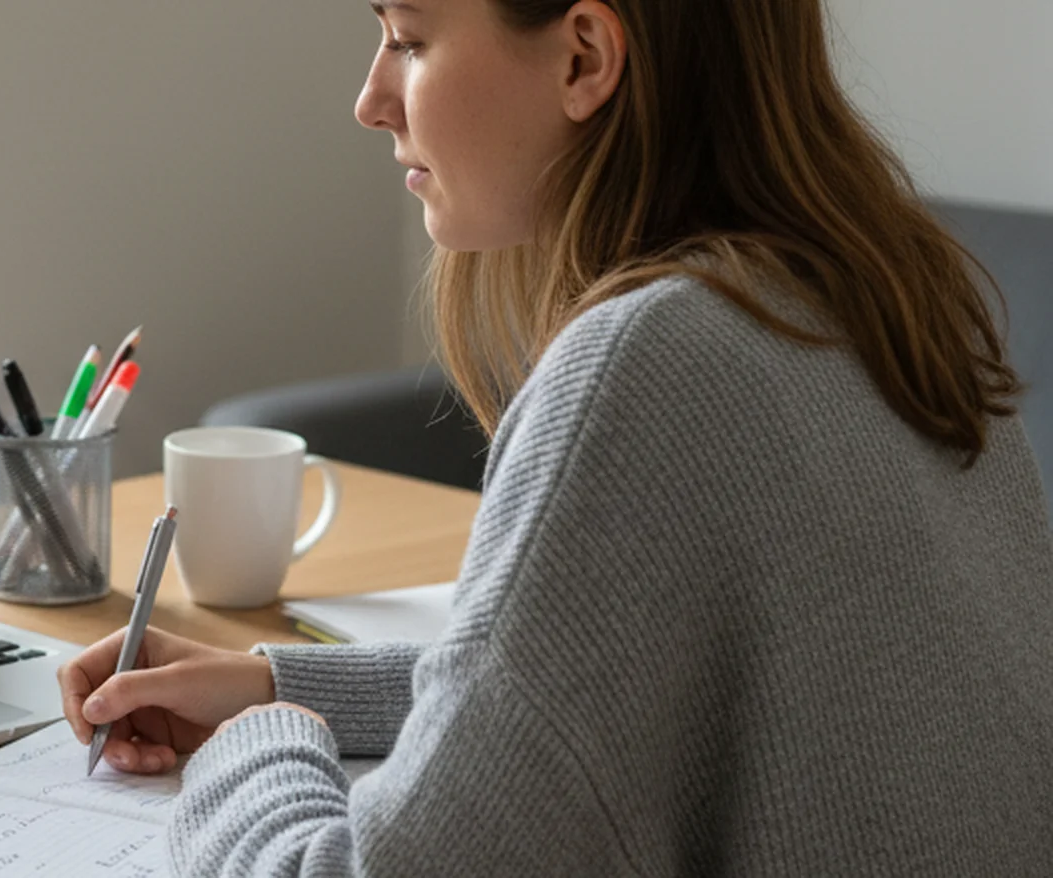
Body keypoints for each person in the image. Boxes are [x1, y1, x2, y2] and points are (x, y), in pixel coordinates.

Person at [59, 1, 1053, 874]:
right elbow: (588, 686)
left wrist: (263, 741)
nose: (369, 99)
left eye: (406, 38)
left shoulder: (651, 360)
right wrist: (273, 678)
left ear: (582, 57)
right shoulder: (909, 305)